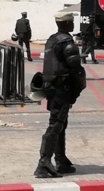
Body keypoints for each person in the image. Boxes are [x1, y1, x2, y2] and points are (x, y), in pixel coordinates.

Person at [35, 10, 86, 178]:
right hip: (61, 89)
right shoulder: (67, 43)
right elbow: (76, 70)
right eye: (71, 22)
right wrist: (79, 87)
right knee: (56, 124)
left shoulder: (52, 40)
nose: (73, 24)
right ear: (67, 24)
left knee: (61, 123)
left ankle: (61, 160)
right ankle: (44, 163)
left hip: (51, 87)